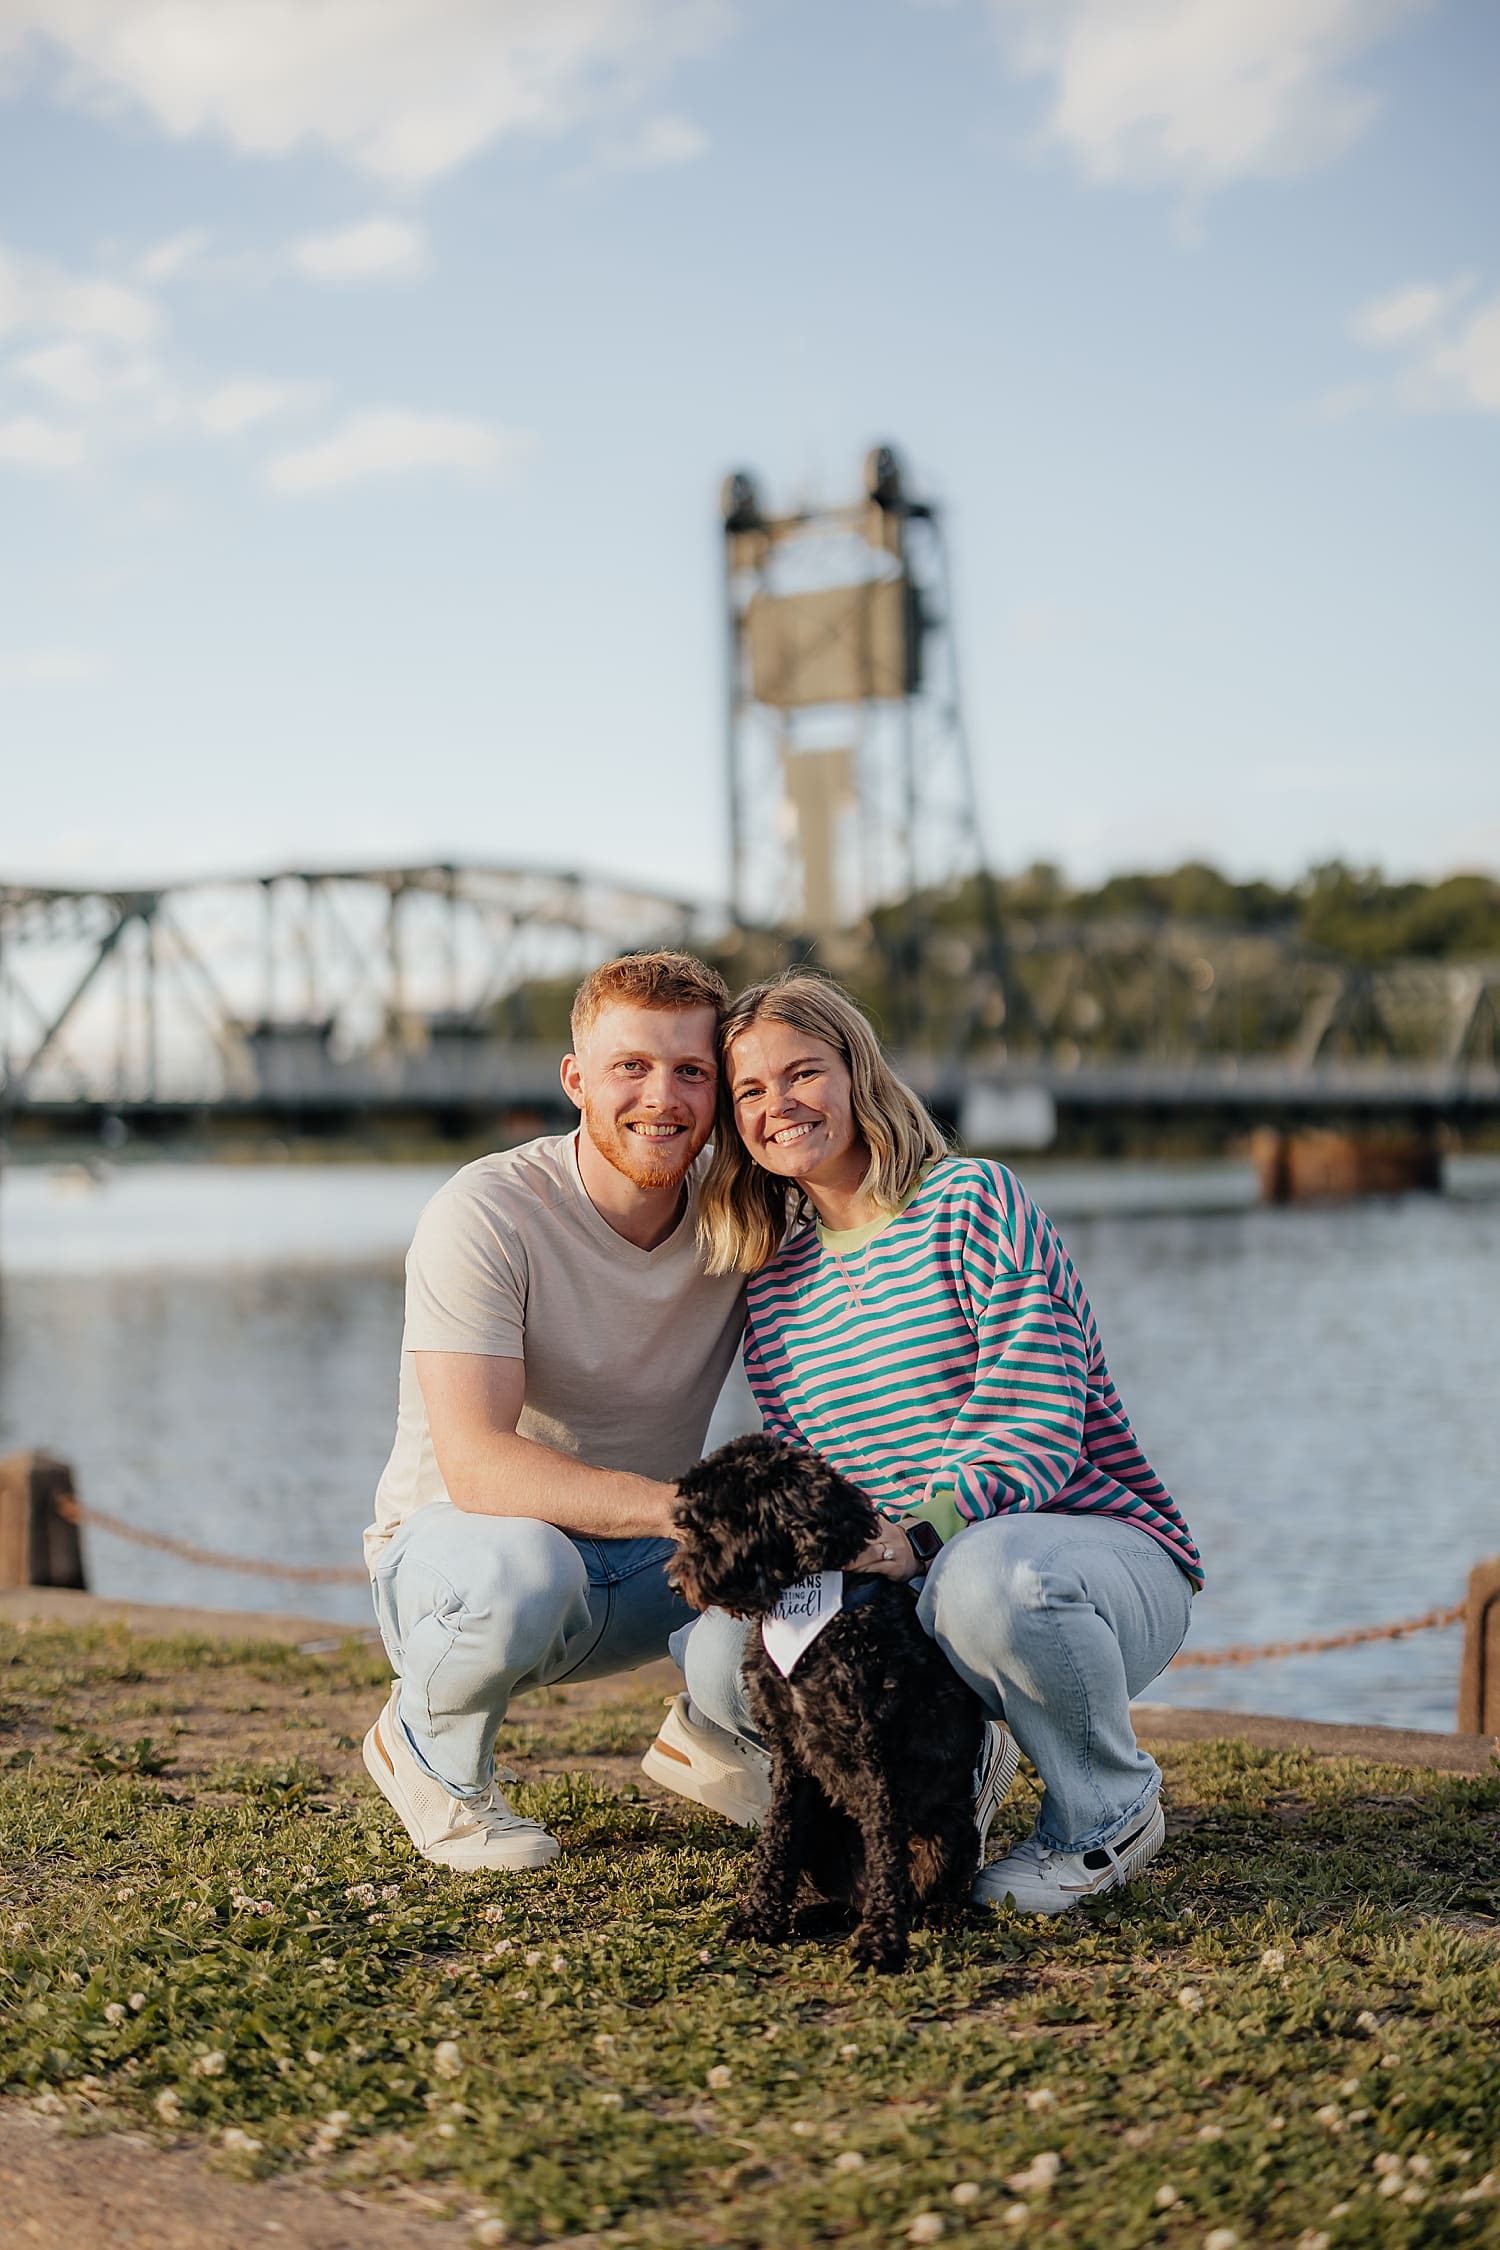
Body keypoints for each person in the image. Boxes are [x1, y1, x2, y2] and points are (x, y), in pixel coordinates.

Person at [664, 971, 1202, 1915]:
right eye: (750, 1090)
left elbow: (1036, 1423)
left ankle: (1107, 1812)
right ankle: (953, 1773)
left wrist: (918, 1533)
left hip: (1075, 1561)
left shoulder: (972, 1202)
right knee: (721, 1656)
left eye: (803, 1074)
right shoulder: (776, 1283)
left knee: (985, 1580)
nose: (778, 1105)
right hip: (902, 1577)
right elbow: (811, 1484)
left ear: (857, 1072)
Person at [362, 949, 765, 1871]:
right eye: (632, 1067)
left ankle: (720, 1732)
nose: (662, 1098)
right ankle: (427, 1750)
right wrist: (695, 1513)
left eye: (691, 1072)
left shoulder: (742, 1211)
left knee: (803, 1550)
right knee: (528, 1564)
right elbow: (479, 1466)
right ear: (576, 1081)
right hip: (464, 1563)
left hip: (638, 1564)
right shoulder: (488, 1212)